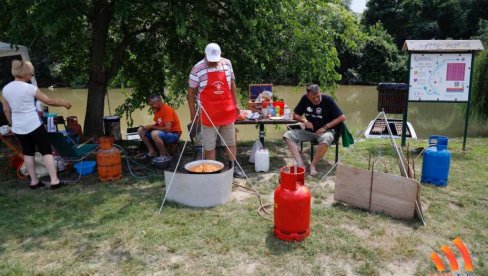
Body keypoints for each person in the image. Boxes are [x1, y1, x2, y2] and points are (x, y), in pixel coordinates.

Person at [1, 60, 72, 189]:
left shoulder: (6, 89)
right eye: (31, 74)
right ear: (25, 73)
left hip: (18, 127)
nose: (31, 76)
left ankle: (34, 182)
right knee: (46, 151)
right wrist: (64, 103)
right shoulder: (30, 88)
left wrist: (12, 124)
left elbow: (6, 109)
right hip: (33, 124)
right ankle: (55, 181)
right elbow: (49, 101)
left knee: (28, 152)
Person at [187, 42, 245, 178]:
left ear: (221, 55)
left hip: (227, 111)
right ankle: (213, 171)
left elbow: (232, 84)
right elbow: (190, 93)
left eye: (215, 60)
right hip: (208, 114)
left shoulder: (227, 63)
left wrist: (236, 103)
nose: (213, 63)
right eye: (210, 60)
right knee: (209, 145)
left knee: (230, 141)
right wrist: (192, 114)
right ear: (205, 56)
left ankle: (233, 168)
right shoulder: (197, 69)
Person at [283, 84, 346, 176]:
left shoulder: (328, 100)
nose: (316, 99)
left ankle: (313, 165)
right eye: (313, 98)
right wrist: (304, 121)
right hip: (309, 132)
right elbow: (295, 115)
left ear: (320, 93)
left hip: (325, 132)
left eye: (318, 96)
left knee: (326, 138)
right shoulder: (305, 99)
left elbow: (342, 117)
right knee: (288, 135)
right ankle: (301, 164)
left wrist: (325, 127)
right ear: (308, 96)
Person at [137, 95, 182, 162]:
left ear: (158, 101)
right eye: (150, 105)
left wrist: (152, 127)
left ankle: (164, 156)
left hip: (174, 134)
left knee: (154, 133)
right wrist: (147, 127)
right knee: (141, 130)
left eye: (152, 104)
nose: (151, 106)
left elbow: (167, 129)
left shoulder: (167, 110)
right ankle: (152, 152)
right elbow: (158, 124)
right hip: (165, 133)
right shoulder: (157, 111)